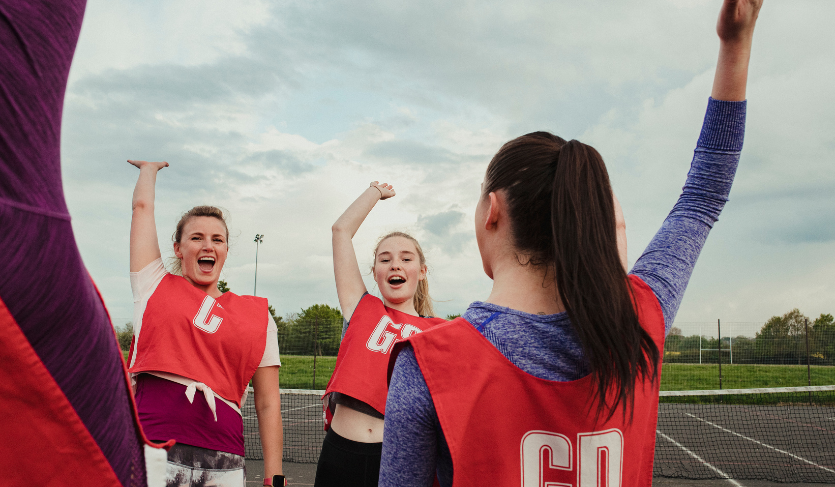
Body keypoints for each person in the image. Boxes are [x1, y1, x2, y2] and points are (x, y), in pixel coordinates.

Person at [379, 0, 763, 485]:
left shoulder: (431, 365)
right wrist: (736, 43)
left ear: (492, 212)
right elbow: (703, 196)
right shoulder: (639, 322)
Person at [126, 161, 284, 487]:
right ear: (178, 249)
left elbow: (268, 404)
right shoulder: (153, 285)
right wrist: (149, 170)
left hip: (224, 460)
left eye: (217, 239)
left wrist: (275, 478)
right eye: (196, 238)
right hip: (154, 449)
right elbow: (141, 208)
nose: (208, 245)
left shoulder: (257, 316)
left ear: (226, 250)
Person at [315, 183, 446, 487]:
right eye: (385, 259)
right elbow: (340, 231)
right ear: (374, 271)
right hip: (340, 454)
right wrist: (375, 191)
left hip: (399, 462)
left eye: (406, 258)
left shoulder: (439, 331)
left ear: (422, 271)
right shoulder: (361, 307)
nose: (395, 264)